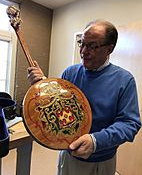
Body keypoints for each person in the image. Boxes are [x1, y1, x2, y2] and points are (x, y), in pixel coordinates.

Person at [27, 19, 141, 175]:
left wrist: (95, 141)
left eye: (93, 46)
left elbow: (130, 124)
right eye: (82, 43)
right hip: (68, 155)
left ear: (109, 49)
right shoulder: (70, 73)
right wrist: (42, 87)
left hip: (102, 159)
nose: (84, 51)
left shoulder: (124, 80)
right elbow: (58, 108)